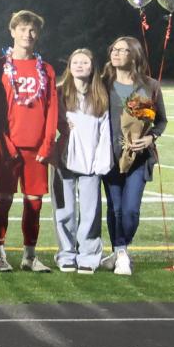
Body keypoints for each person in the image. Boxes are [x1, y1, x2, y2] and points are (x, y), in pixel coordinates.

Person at [0, 10, 60, 272]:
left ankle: (29, 256)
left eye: (33, 30)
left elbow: (52, 109)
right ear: (12, 31)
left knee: (34, 203)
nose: (28, 34)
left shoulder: (46, 69)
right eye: (23, 28)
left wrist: (47, 144)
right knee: (3, 201)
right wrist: (4, 144)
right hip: (8, 148)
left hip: (36, 149)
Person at [101, 35, 167, 277]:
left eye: (123, 50)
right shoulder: (102, 84)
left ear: (135, 55)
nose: (116, 54)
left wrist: (150, 138)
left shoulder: (150, 86)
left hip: (139, 159)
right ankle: (120, 253)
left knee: (130, 210)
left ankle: (120, 251)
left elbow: (160, 121)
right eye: (114, 49)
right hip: (109, 157)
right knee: (115, 209)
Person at [53, 48, 111, 274]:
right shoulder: (59, 93)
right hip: (63, 160)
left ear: (92, 67)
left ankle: (88, 255)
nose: (79, 65)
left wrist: (101, 160)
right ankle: (66, 254)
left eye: (84, 62)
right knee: (64, 211)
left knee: (90, 211)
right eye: (75, 62)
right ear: (69, 67)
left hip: (91, 161)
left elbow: (105, 129)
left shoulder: (101, 94)